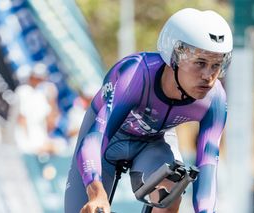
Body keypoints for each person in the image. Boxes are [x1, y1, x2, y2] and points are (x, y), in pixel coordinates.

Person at [65, 8, 233, 213]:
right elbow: (94, 139)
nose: (209, 76)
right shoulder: (135, 74)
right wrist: (96, 191)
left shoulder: (214, 98)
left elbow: (207, 165)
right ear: (174, 57)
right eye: (200, 63)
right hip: (105, 140)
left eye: (217, 65)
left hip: (153, 142)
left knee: (173, 186)